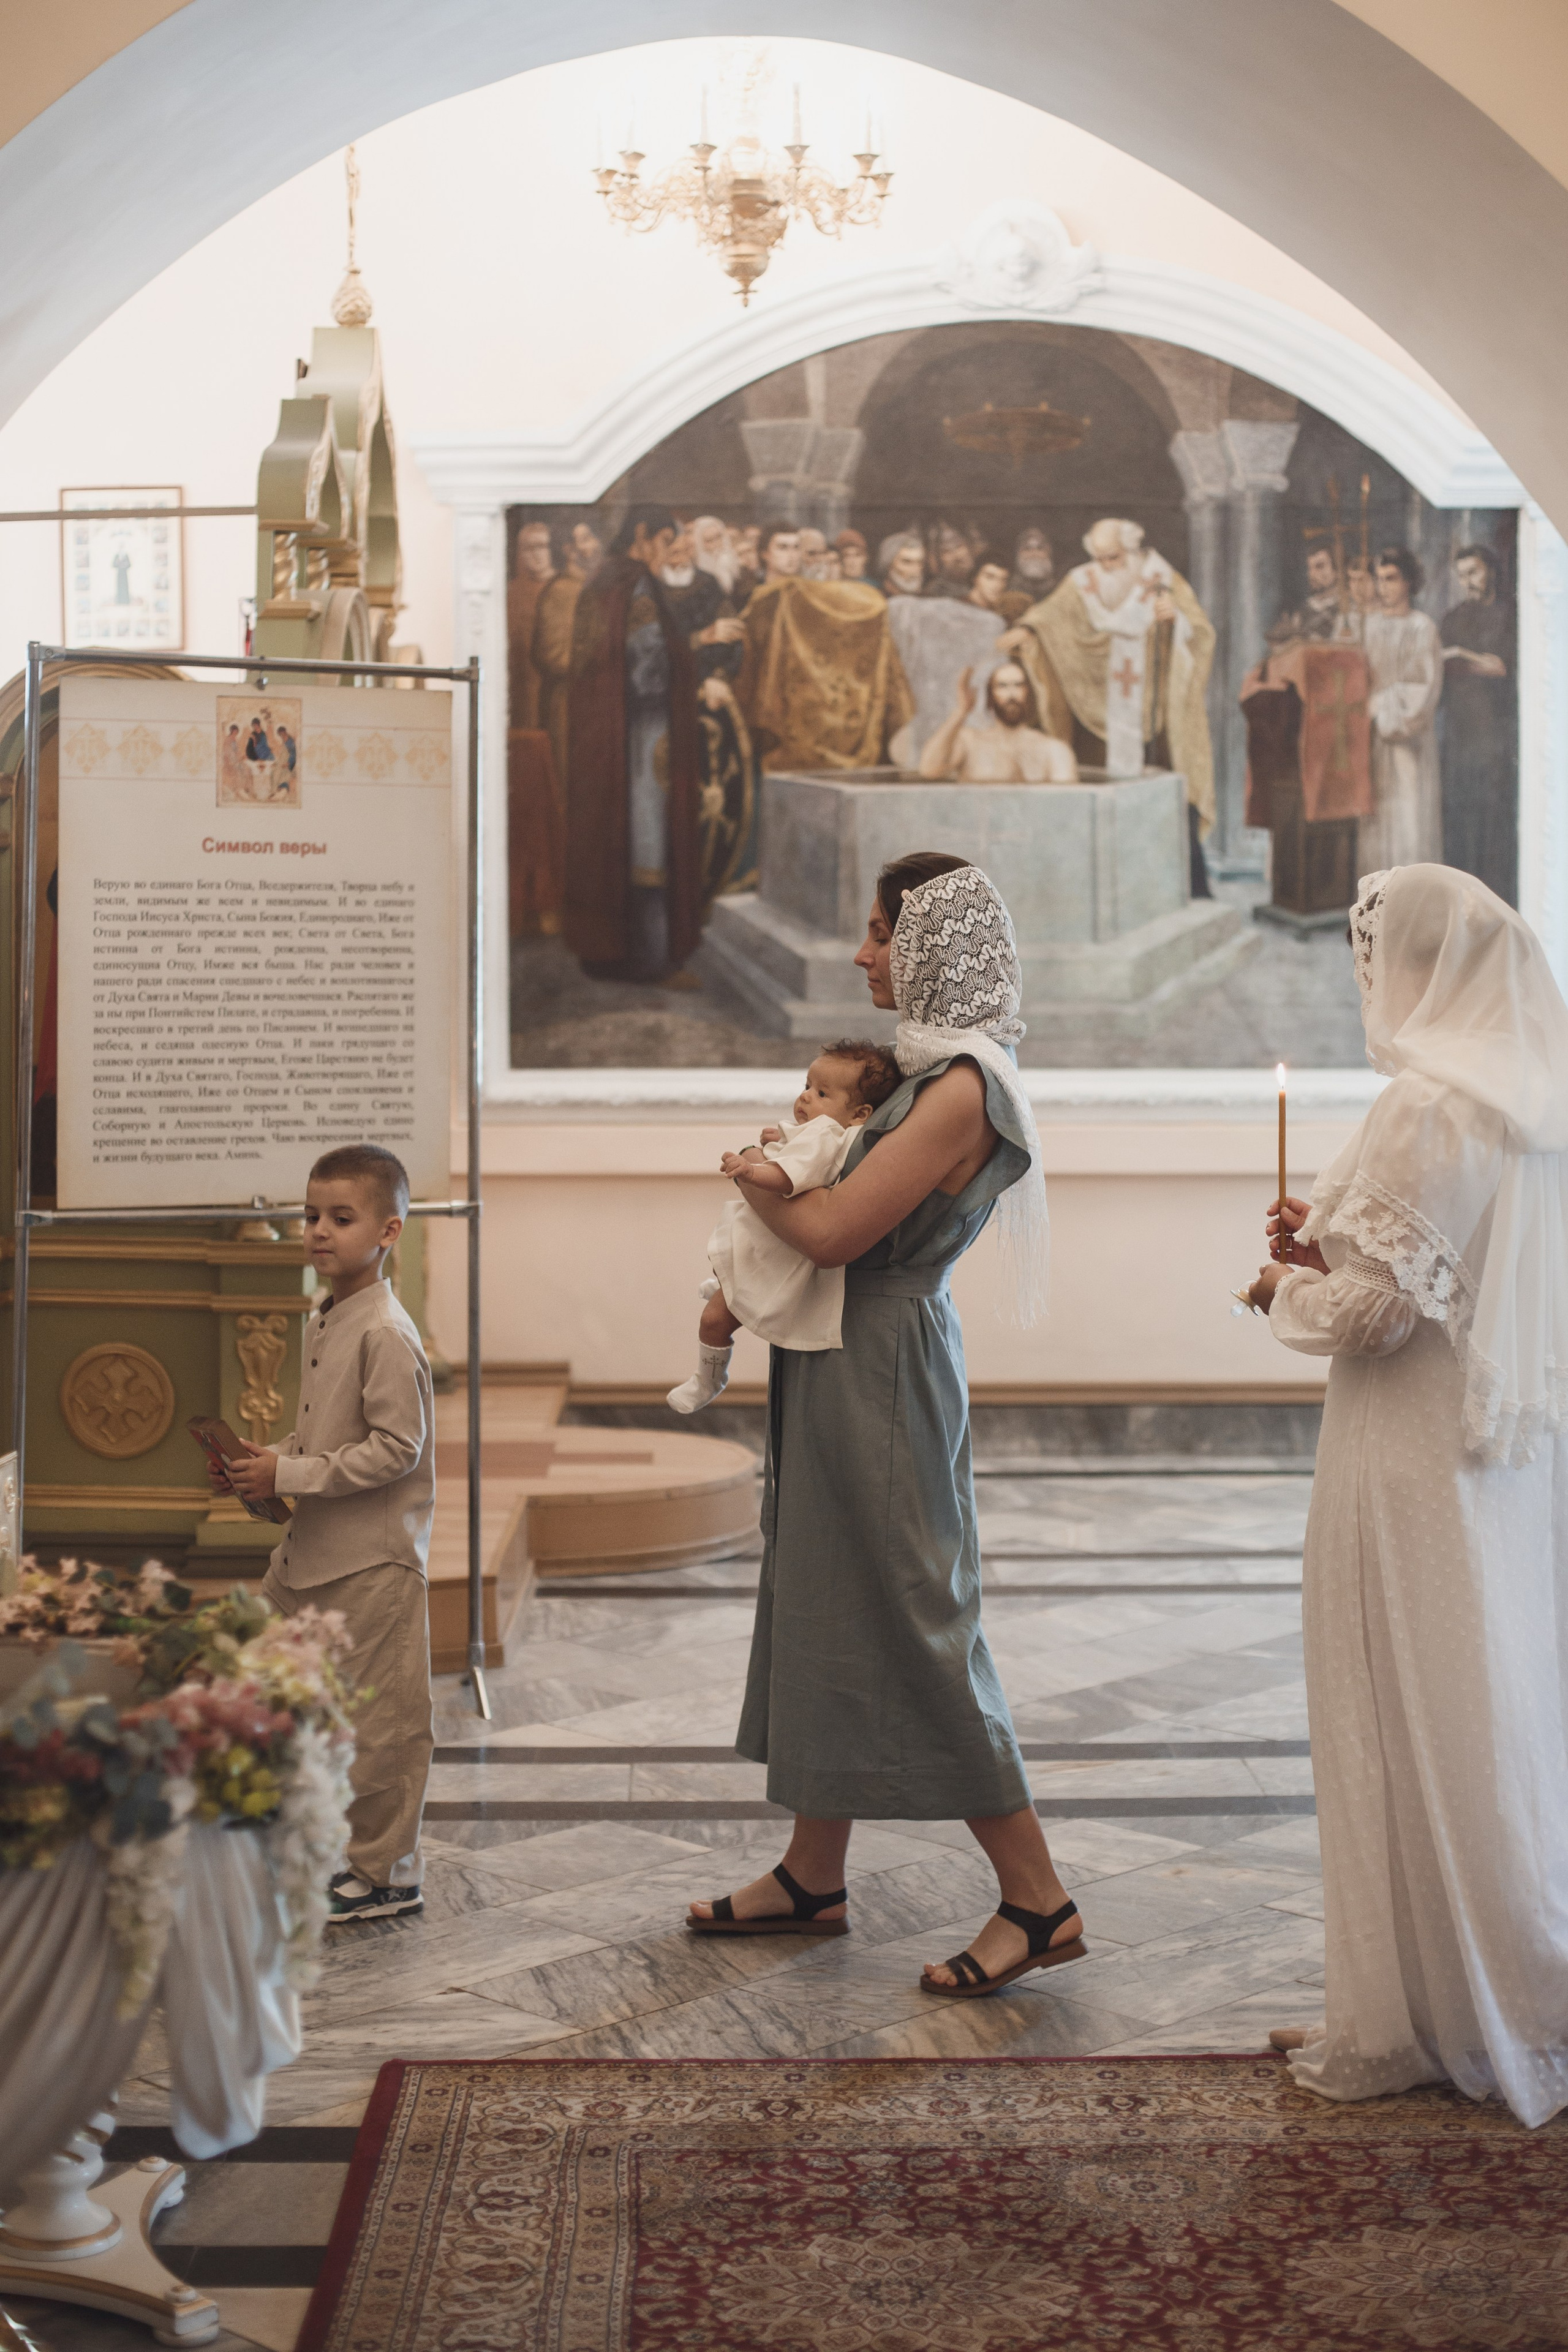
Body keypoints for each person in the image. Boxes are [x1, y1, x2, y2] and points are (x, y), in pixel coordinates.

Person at [687, 854, 1087, 2000]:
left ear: (934, 949)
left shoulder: (962, 1084)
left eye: (878, 934)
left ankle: (1037, 1897)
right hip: (838, 1358)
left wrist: (755, 1182)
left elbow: (834, 1234)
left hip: (884, 1368)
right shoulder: (920, 1072)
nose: (862, 954)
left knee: (917, 1616)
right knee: (826, 1594)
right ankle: (813, 1876)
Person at [1249, 864, 1568, 2128]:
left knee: (1397, 1701)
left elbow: (1374, 1314)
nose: (1364, 977)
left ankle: (1408, 2015)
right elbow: (1451, 1271)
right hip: (1494, 1459)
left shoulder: (1422, 1107)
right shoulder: (1528, 1101)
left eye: (1373, 954)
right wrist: (1329, 1241)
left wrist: (1277, 1288)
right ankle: (1452, 1983)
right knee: (1481, 1703)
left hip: (1401, 1449)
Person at [214, 1143, 435, 1924]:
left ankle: (386, 1874)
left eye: (341, 1219)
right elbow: (324, 1431)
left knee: (384, 1725)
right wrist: (269, 1461)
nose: (317, 1232)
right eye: (311, 1215)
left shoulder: (386, 1331)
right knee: (272, 1683)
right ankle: (294, 1829)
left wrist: (291, 1478)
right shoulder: (331, 1314)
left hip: (373, 1560)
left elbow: (394, 1450)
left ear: (388, 1232)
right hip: (312, 1555)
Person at [666, 1040, 902, 1414]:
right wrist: (783, 1140)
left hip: (779, 1254)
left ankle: (708, 1381)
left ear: (860, 1113)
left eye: (821, 1093)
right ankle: (733, 1281)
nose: (806, 1098)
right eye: (807, 1086)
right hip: (768, 1246)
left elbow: (789, 1178)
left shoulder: (825, 1137)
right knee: (729, 1257)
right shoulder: (832, 1134)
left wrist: (751, 1168)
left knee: (713, 1321)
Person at [1001, 518, 1217, 897]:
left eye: (1114, 558)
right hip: (1092, 712)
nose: (1106, 566)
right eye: (1100, 557)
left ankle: (1176, 889)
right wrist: (1029, 630)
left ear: (1132, 552)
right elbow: (1051, 616)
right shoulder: (1082, 581)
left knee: (1165, 793)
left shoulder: (1161, 577)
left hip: (1156, 716)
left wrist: (1176, 619)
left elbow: (1201, 632)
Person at [563, 504, 702, 982]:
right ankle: (653, 960)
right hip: (646, 736)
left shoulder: (600, 583)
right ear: (643, 535)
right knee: (650, 846)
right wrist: (690, 660)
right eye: (665, 543)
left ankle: (607, 952)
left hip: (604, 741)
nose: (667, 556)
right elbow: (648, 672)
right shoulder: (638, 585)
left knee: (616, 841)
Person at [1439, 543, 1517, 903]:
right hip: (1459, 733)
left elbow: (1504, 667)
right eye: (1461, 575)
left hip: (1495, 735)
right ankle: (1461, 901)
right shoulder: (1454, 618)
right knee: (1460, 815)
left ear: (1492, 571)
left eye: (1473, 572)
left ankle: (1496, 902)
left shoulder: (1511, 614)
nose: (1467, 582)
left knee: (1493, 818)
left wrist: (1462, 659)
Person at [1360, 545, 1442, 870]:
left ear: (1408, 581)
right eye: (1379, 580)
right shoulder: (1369, 625)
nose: (1384, 588)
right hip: (1372, 739)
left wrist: (1378, 705)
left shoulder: (1423, 628)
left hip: (1407, 740)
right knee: (1375, 827)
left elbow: (1422, 688)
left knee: (1409, 823)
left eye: (1391, 579)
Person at [532, 516, 603, 813]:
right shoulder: (562, 591)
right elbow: (554, 656)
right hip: (568, 705)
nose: (592, 547)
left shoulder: (595, 586)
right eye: (583, 540)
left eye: (593, 538)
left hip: (595, 703)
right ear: (568, 550)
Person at [918, 659, 1078, 782]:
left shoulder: (1053, 750)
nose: (1011, 695)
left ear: (1028, 694)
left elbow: (1066, 810)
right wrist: (961, 712)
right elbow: (929, 769)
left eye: (1018, 685)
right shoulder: (970, 743)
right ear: (990, 697)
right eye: (1002, 686)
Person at [1267, 541, 1360, 649]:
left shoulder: (1352, 605)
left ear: (1338, 570)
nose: (1312, 575)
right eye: (1310, 568)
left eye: (1320, 567)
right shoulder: (1304, 611)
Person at [1008, 524, 1054, 605]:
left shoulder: (1059, 591)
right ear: (1018, 553)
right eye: (1027, 548)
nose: (1034, 554)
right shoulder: (1007, 592)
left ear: (1049, 552)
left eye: (1039, 548)